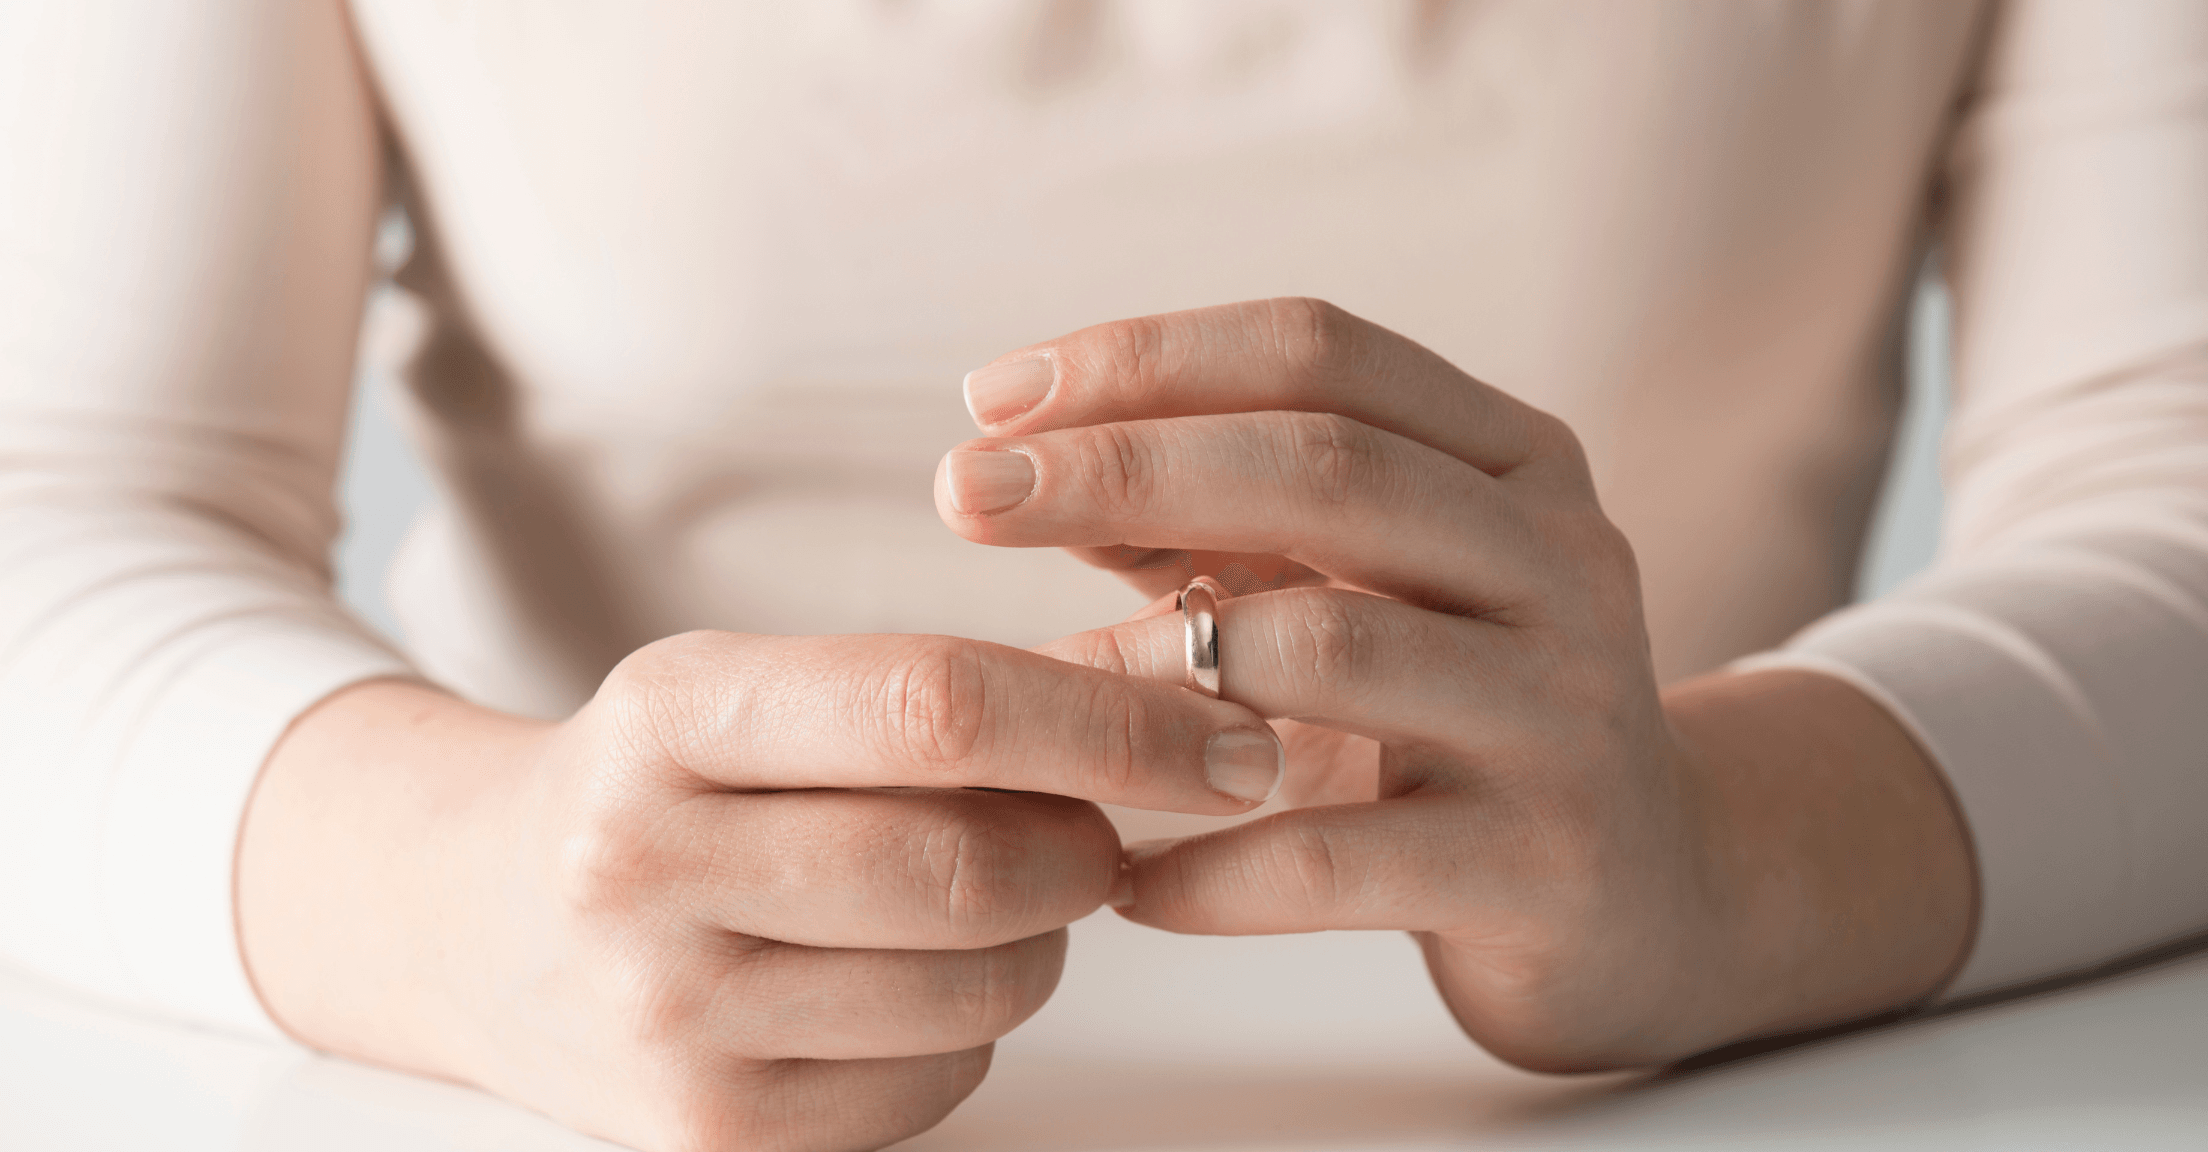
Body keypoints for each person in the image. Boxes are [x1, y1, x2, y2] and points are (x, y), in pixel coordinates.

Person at [3, 2, 2204, 1150]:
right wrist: (467, 894)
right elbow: (58, 492)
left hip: (1715, 1098)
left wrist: (1728, 854)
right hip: (529, 1115)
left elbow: (2173, 493)